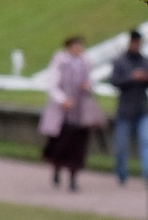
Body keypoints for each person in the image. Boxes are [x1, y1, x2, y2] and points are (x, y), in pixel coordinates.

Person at [39, 35, 104, 191]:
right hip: (63, 113)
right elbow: (53, 85)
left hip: (80, 113)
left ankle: (73, 177)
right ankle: (57, 169)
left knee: (78, 147)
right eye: (76, 46)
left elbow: (92, 81)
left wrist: (88, 86)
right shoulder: (60, 63)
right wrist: (63, 100)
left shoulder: (85, 63)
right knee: (61, 145)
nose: (78, 49)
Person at [110, 29, 148, 185]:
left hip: (142, 109)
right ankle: (122, 174)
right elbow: (115, 82)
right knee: (121, 147)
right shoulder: (120, 62)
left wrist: (147, 78)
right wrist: (132, 78)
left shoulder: (146, 62)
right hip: (125, 111)